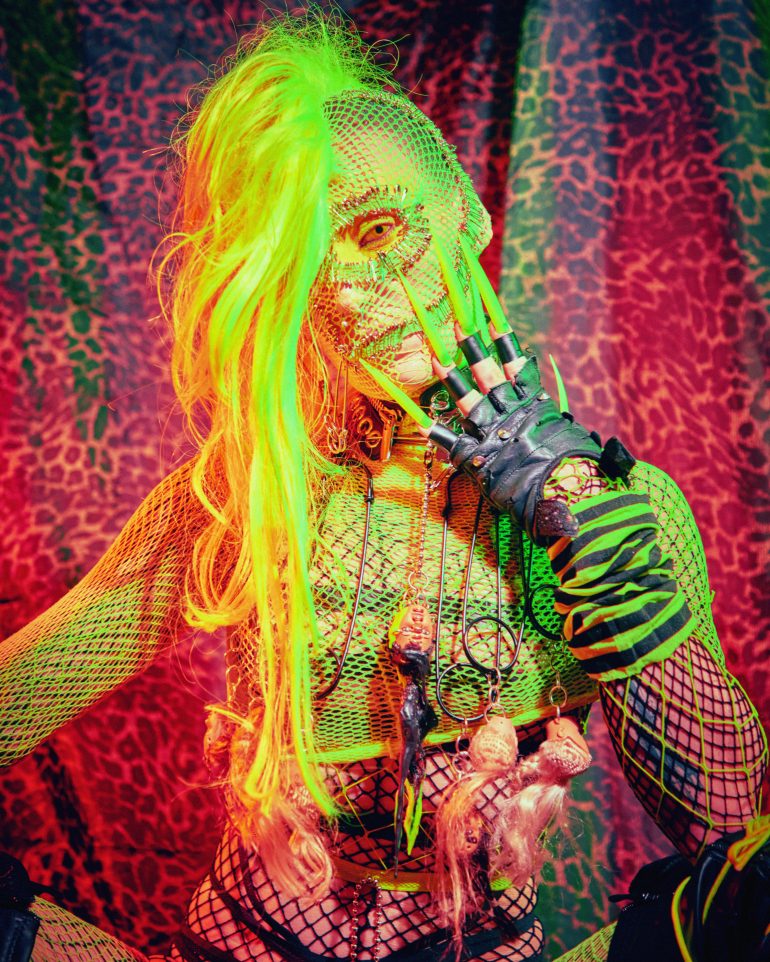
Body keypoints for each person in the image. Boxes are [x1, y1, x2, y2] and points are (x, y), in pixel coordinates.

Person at [0, 12, 766, 962]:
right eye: (302, 267)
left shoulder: (626, 506)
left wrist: (597, 536)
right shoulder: (243, 501)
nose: (345, 292)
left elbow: (727, 827)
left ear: (466, 212)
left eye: (375, 230)